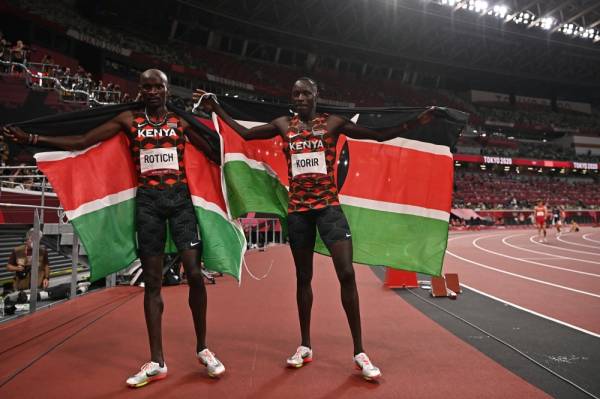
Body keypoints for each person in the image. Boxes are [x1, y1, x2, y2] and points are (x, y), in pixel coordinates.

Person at [194, 78, 435, 380]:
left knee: (346, 273)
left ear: (316, 96)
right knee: (303, 277)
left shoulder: (332, 123)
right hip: (299, 212)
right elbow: (245, 133)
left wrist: (414, 123)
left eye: (306, 93)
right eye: (295, 93)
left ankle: (360, 351)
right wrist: (216, 107)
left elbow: (376, 135)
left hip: (329, 209)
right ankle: (305, 345)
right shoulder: (283, 124)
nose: (300, 97)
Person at [3, 69, 225, 387]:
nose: (151, 92)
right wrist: (34, 139)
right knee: (151, 283)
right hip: (148, 206)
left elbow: (216, 151)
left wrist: (223, 123)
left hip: (181, 205)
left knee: (193, 273)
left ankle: (203, 348)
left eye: (157, 87)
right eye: (146, 87)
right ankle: (157, 361)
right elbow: (82, 140)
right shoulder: (128, 121)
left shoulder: (181, 122)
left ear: (166, 90)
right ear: (140, 90)